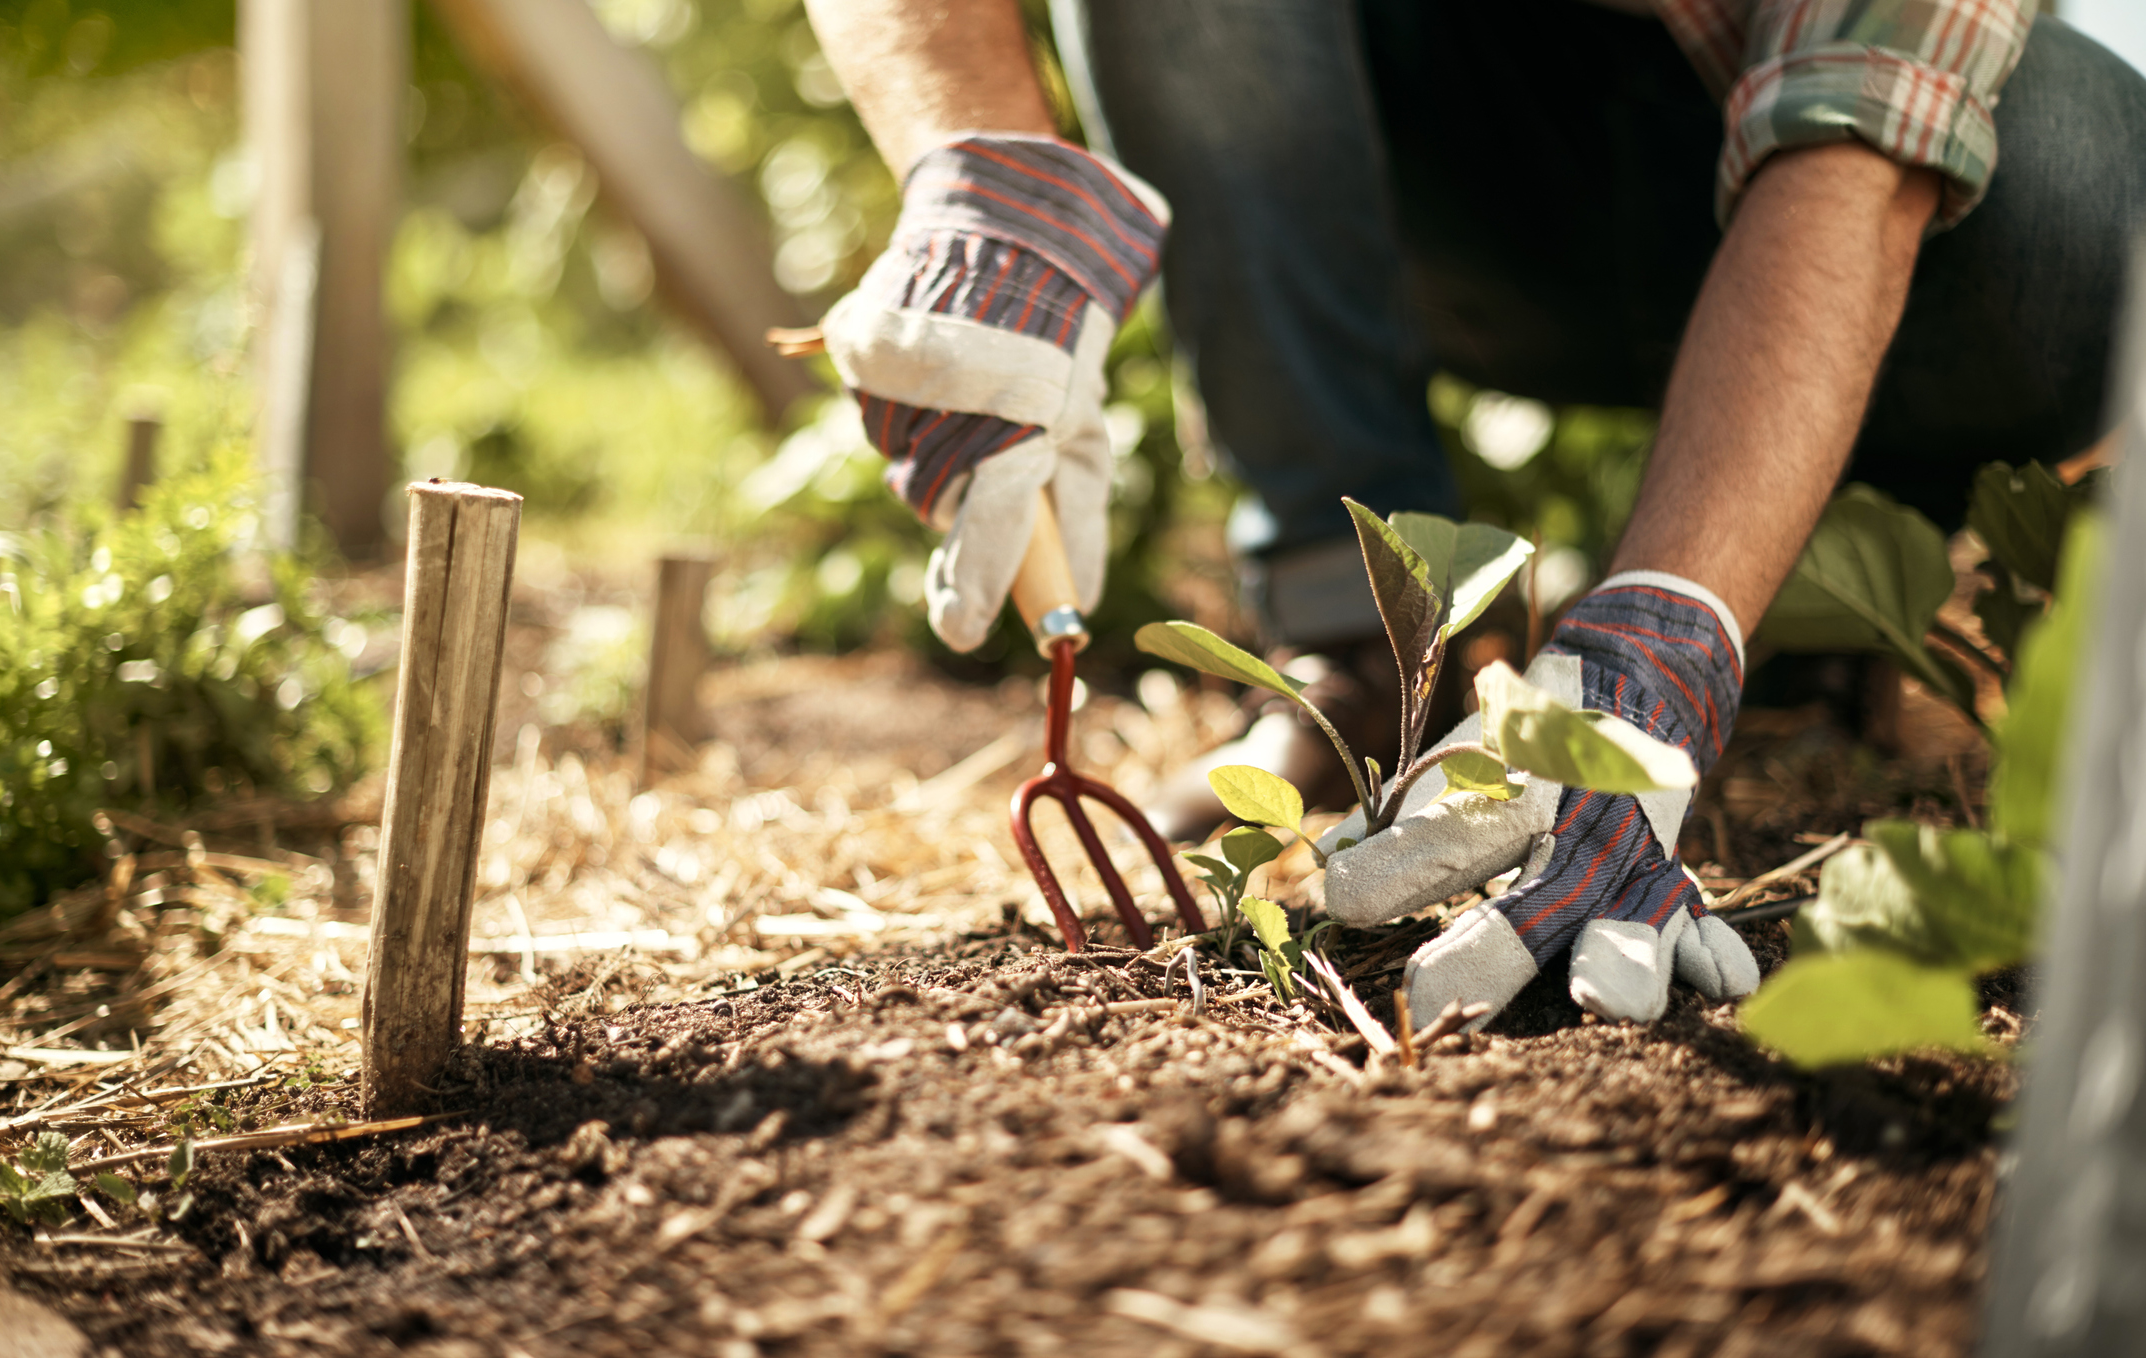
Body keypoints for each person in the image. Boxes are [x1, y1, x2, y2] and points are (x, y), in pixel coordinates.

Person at [801, 0, 2146, 1029]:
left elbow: (1866, 144)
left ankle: (1808, 577)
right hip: (1428, 167)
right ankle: (1368, 638)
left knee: (2091, 192)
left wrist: (1663, 638)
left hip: (1822, 160)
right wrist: (974, 171)